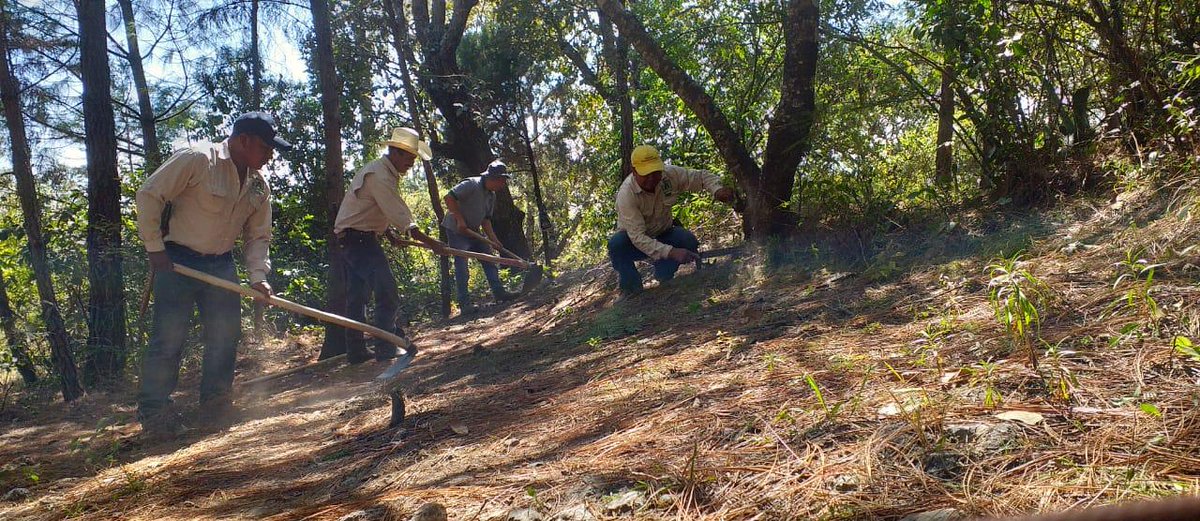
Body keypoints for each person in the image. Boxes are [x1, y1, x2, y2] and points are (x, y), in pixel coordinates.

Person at [135, 111, 291, 438]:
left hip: (221, 264)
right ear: (243, 140)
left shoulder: (258, 187)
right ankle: (155, 414)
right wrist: (154, 248)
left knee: (225, 336)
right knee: (169, 338)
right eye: (265, 147)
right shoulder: (197, 160)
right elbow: (150, 194)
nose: (269, 155)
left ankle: (215, 404)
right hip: (176, 260)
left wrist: (257, 276)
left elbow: (258, 236)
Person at [333, 127, 447, 364]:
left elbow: (370, 209)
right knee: (387, 291)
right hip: (358, 241)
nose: (411, 163)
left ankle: (356, 351)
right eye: (408, 157)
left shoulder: (382, 172)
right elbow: (400, 214)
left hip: (354, 238)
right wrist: (432, 243)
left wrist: (389, 234)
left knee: (358, 297)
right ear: (394, 152)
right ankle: (386, 347)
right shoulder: (380, 176)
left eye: (414, 159)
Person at [608, 144, 739, 297]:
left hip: (665, 232)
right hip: (634, 243)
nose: (652, 178)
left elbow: (701, 177)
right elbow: (638, 238)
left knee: (687, 241)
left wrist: (717, 189)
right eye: (646, 174)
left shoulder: (669, 175)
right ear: (634, 171)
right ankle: (631, 288)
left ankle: (664, 277)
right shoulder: (626, 195)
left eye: (655, 172)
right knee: (616, 245)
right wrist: (671, 252)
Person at [441, 160, 520, 314]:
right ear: (493, 178)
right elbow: (449, 197)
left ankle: (499, 293)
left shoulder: (491, 196)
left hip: (474, 231)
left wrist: (494, 240)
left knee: (489, 258)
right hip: (456, 230)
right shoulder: (471, 184)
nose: (503, 185)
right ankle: (465, 305)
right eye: (502, 181)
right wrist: (460, 219)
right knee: (462, 265)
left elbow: (485, 219)